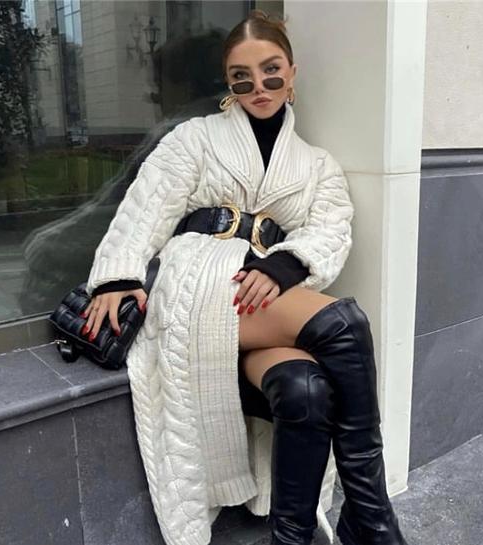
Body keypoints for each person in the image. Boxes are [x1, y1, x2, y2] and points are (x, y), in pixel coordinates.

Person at [80, 9, 409, 545]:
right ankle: (370, 517)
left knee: (305, 390)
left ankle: (293, 536)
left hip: (258, 297)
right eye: (242, 77)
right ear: (228, 84)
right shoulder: (194, 139)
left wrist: (288, 262)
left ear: (293, 73)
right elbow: (146, 208)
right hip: (194, 283)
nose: (259, 86)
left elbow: (331, 227)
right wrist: (117, 277)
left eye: (272, 72)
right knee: (345, 324)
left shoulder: (317, 164)